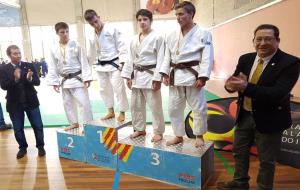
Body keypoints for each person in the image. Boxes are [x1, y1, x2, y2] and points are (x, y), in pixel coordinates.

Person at [217, 24, 300, 190]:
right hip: (245, 115)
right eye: (259, 39)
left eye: (268, 39)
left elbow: (278, 93)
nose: (263, 43)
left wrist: (245, 87)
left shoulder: (291, 62)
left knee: (267, 160)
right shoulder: (245, 58)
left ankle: (264, 187)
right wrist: (229, 86)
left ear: (277, 40)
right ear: (253, 41)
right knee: (239, 152)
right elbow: (235, 82)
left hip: (271, 118)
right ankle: (240, 182)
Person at [159, 1, 214, 148]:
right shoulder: (171, 35)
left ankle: (199, 135)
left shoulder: (204, 33)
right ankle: (178, 135)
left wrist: (203, 77)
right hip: (176, 75)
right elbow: (166, 56)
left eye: (181, 14)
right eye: (176, 14)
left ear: (191, 14)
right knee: (173, 108)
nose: (178, 17)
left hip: (193, 75)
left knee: (199, 108)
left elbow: (207, 56)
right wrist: (164, 73)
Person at [121, 9, 165, 142]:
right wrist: (128, 76)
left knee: (155, 106)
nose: (142, 22)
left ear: (151, 21)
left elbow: (161, 58)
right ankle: (140, 129)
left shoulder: (158, 37)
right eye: (139, 20)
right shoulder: (133, 39)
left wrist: (158, 78)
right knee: (136, 105)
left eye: (145, 19)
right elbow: (130, 59)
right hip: (137, 76)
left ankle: (158, 131)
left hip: (151, 76)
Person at [0, 45, 45, 159]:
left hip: (31, 101)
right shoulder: (3, 69)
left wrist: (29, 78)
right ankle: (22, 147)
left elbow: (37, 82)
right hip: (14, 104)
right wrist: (15, 79)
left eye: (19, 53)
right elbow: (4, 86)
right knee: (18, 129)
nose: (18, 55)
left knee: (38, 126)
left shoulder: (29, 65)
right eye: (15, 53)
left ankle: (40, 146)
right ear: (9, 55)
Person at [84, 9, 129, 122]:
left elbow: (122, 46)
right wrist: (86, 70)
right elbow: (91, 53)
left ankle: (122, 112)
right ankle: (110, 111)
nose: (95, 25)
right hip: (100, 66)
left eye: (95, 21)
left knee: (118, 89)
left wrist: (123, 63)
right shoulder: (91, 35)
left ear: (98, 17)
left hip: (115, 65)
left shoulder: (112, 29)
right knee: (103, 89)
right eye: (91, 24)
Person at [47, 22, 93, 131]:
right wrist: (54, 82)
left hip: (77, 79)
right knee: (67, 103)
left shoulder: (76, 45)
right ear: (57, 33)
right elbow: (53, 66)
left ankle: (87, 126)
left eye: (67, 31)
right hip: (64, 80)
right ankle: (74, 123)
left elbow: (84, 62)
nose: (65, 34)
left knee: (83, 103)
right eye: (62, 32)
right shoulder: (53, 48)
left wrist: (87, 77)